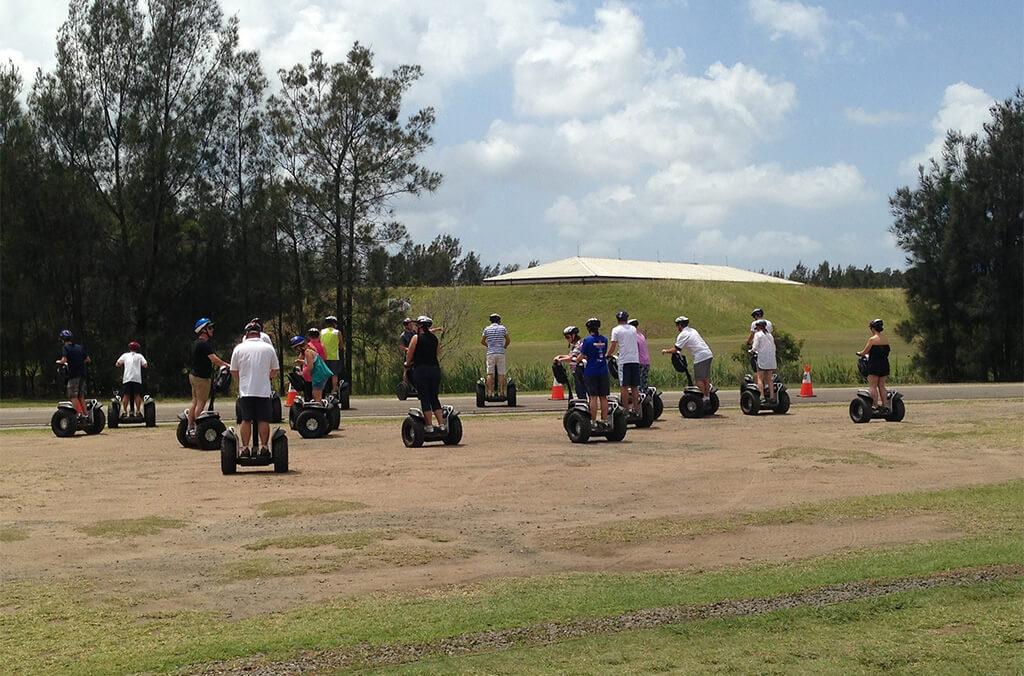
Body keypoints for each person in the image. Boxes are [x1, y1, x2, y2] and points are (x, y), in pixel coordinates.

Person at [231, 322, 280, 458]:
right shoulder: (268, 348)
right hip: (263, 390)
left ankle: (245, 448)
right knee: (263, 420)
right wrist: (267, 378)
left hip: (246, 391)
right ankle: (264, 447)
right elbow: (275, 370)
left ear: (246, 334)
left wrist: (241, 382)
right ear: (259, 333)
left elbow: (234, 371)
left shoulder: (239, 348)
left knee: (246, 420)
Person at [187, 318, 230, 436]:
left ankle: (190, 426)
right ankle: (198, 428)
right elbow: (214, 359)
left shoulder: (195, 343)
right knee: (201, 402)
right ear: (203, 330)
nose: (212, 330)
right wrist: (225, 365)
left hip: (193, 375)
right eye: (210, 328)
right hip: (202, 377)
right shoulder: (204, 344)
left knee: (194, 401)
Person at [404, 316, 445, 432]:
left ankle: (429, 426)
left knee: (425, 397)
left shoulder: (416, 338)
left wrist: (407, 364)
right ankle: (441, 424)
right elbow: (437, 353)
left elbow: (409, 355)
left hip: (421, 370)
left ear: (420, 326)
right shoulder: (434, 339)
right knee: (434, 397)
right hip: (435, 370)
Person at [662, 316, 714, 406]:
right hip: (708, 354)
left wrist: (665, 351)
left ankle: (703, 400)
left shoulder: (683, 334)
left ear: (680, 325)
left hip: (700, 356)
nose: (677, 327)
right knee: (705, 378)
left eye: (677, 325)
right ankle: (707, 397)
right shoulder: (692, 330)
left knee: (699, 380)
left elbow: (676, 349)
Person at [608, 311, 641, 415]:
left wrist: (608, 355)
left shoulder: (616, 330)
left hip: (624, 360)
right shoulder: (633, 329)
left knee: (624, 386)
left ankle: (625, 410)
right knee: (635, 386)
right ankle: (636, 409)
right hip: (635, 359)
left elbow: (613, 345)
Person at [580, 317, 610, 427]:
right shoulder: (604, 340)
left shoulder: (587, 340)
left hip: (591, 371)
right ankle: (605, 420)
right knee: (603, 397)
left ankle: (592, 421)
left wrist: (575, 360)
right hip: (603, 370)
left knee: (593, 397)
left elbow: (583, 355)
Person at [857, 318, 891, 411]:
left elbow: (864, 352)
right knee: (882, 386)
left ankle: (875, 406)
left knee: (873, 386)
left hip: (874, 365)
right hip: (885, 364)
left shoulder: (872, 340)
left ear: (872, 328)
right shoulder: (885, 339)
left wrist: (859, 353)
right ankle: (886, 406)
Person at [55, 329, 91, 415]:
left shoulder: (65, 348)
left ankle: (77, 414)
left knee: (73, 396)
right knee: (81, 396)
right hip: (82, 374)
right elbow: (88, 359)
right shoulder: (79, 347)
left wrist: (58, 362)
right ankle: (86, 414)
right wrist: (79, 362)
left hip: (73, 375)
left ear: (62, 339)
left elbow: (64, 360)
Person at [290, 335, 331, 403]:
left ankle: (318, 409)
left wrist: (302, 373)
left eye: (295, 348)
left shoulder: (307, 352)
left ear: (299, 347)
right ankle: (318, 407)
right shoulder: (308, 351)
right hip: (319, 374)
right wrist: (302, 361)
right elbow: (312, 362)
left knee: (316, 394)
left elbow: (310, 367)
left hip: (319, 374)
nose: (295, 350)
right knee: (315, 393)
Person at [115, 341, 148, 418]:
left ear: (129, 348)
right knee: (137, 395)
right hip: (136, 378)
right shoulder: (139, 356)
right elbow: (145, 365)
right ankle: (138, 412)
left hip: (127, 378)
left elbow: (117, 364)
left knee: (126, 395)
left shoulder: (125, 355)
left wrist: (122, 364)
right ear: (137, 348)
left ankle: (125, 412)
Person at [480, 313, 510, 399]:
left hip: (490, 353)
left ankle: (490, 392)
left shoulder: (487, 329)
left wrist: (488, 346)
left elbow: (482, 341)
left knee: (490, 373)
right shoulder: (503, 328)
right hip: (500, 352)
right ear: (499, 320)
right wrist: (504, 346)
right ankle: (501, 392)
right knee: (501, 373)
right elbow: (508, 340)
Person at [554, 325, 587, 399]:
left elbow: (572, 358)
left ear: (573, 335)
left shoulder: (579, 344)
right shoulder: (575, 345)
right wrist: (560, 356)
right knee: (579, 391)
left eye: (568, 337)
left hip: (582, 372)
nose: (567, 339)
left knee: (581, 391)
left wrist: (560, 359)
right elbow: (570, 356)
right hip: (578, 372)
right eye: (566, 337)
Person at [751, 319, 778, 403]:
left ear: (759, 327)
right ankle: (772, 396)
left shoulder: (758, 335)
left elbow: (755, 347)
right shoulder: (770, 335)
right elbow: (774, 347)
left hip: (762, 358)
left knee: (760, 377)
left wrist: (751, 351)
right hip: (771, 359)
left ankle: (762, 396)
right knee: (769, 378)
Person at [321, 315, 344, 393]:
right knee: (334, 374)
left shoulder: (322, 332)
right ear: (334, 323)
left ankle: (322, 389)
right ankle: (334, 389)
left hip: (324, 357)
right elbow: (341, 346)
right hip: (334, 357)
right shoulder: (337, 332)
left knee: (324, 374)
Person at [628, 319, 651, 389]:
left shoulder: (633, 336)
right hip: (646, 361)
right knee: (643, 382)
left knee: (636, 384)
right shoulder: (641, 335)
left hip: (639, 362)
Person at [398, 317, 417, 385]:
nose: (412, 325)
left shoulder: (414, 333)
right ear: (406, 326)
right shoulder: (403, 336)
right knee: (406, 370)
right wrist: (409, 349)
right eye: (410, 324)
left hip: (415, 355)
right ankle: (405, 385)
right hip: (408, 355)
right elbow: (401, 346)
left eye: (412, 324)